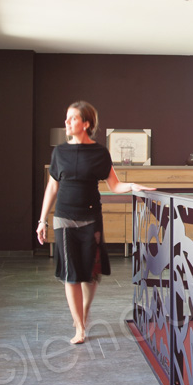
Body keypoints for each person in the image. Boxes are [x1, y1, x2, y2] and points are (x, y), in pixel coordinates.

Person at [36, 101, 152, 344]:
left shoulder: (100, 153)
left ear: (86, 124)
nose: (67, 123)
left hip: (91, 219)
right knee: (71, 274)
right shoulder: (59, 153)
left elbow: (114, 184)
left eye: (72, 118)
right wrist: (42, 220)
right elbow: (52, 186)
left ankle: (84, 311)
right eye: (66, 118)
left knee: (91, 273)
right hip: (64, 219)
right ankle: (79, 327)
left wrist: (132, 186)